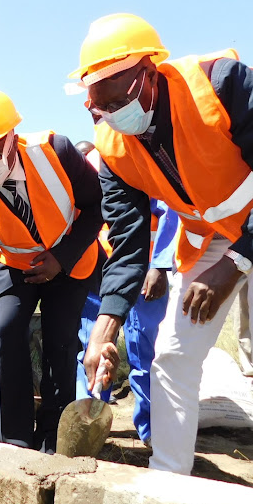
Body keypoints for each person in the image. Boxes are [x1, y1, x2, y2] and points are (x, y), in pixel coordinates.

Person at [73, 13, 253, 504]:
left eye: (113, 95)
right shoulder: (115, 147)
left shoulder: (223, 86)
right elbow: (128, 245)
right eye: (94, 100)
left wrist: (234, 263)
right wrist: (106, 327)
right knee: (172, 353)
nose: (104, 111)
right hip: (212, 233)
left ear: (147, 73)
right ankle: (170, 484)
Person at [0, 86, 103, 453]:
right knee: (7, 329)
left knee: (60, 342)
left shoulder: (55, 151)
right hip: (14, 263)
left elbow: (96, 206)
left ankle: (52, 440)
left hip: (69, 258)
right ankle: (13, 440)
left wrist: (61, 256)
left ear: (12, 136)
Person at [75, 142, 177, 445]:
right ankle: (88, 424)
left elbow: (170, 213)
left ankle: (153, 434)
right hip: (99, 270)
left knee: (146, 350)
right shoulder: (88, 165)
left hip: (146, 271)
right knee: (92, 346)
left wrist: (160, 265)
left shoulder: (143, 156)